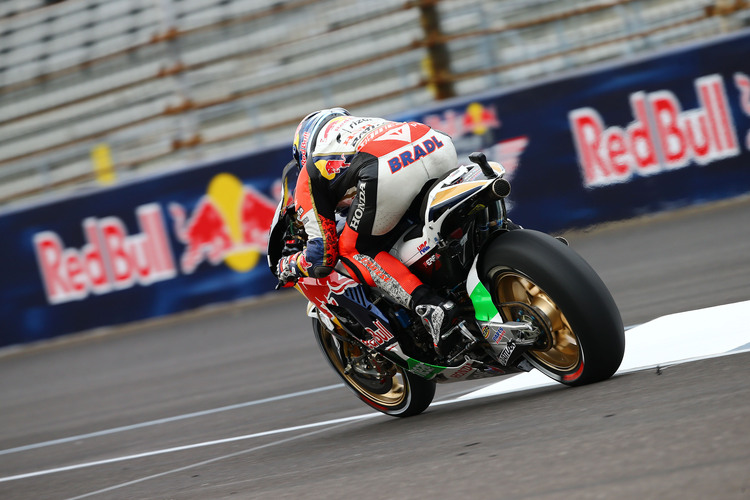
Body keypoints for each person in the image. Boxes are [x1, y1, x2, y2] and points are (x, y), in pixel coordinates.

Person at [275, 108, 458, 351]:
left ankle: (431, 306)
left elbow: (322, 258)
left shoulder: (310, 170)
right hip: (436, 142)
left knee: (353, 248)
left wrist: (288, 264)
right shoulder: (363, 129)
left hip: (387, 169)